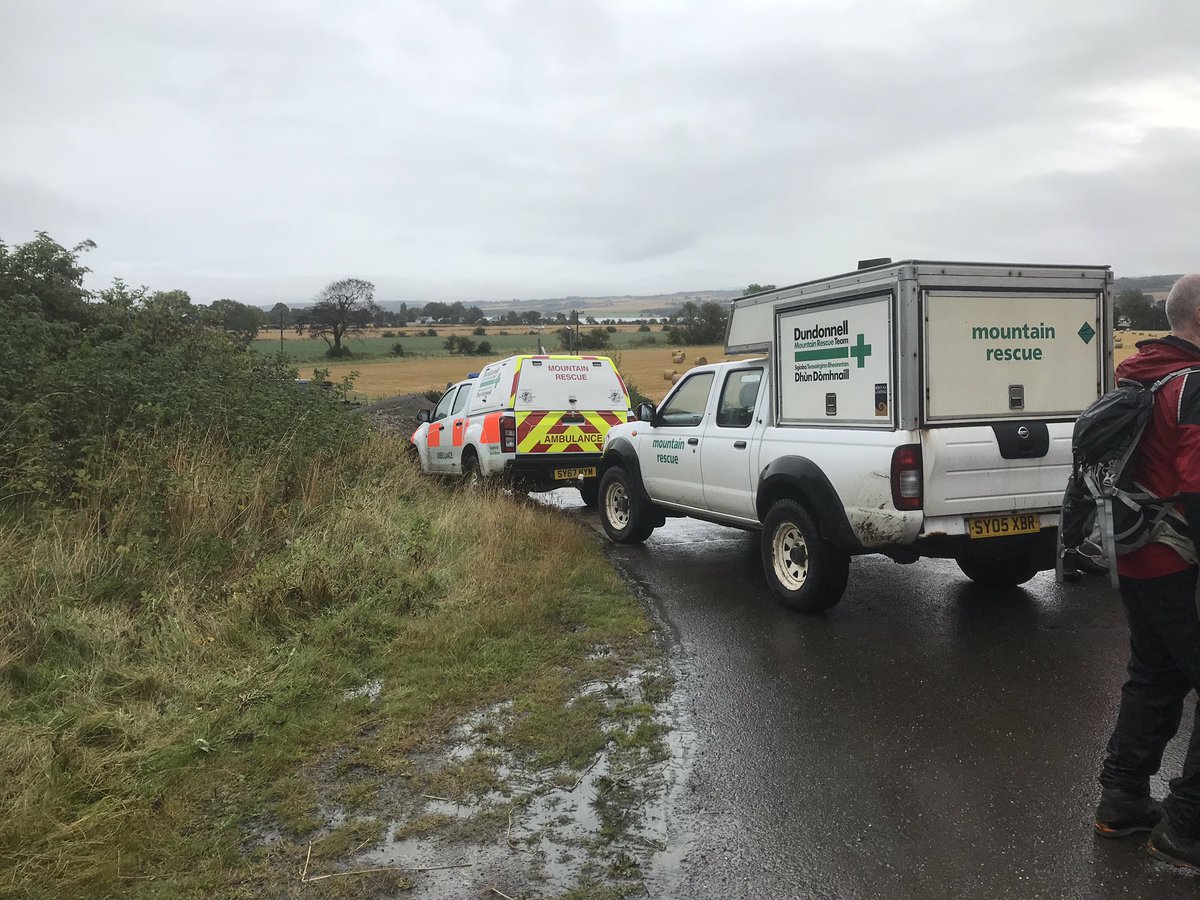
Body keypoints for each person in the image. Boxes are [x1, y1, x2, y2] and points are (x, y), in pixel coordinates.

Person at [1094, 273, 1200, 872]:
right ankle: (1187, 828)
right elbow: (1197, 483)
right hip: (1178, 558)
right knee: (1160, 674)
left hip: (1133, 552)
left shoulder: (1139, 372)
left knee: (1156, 675)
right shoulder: (1192, 383)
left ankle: (1123, 799)